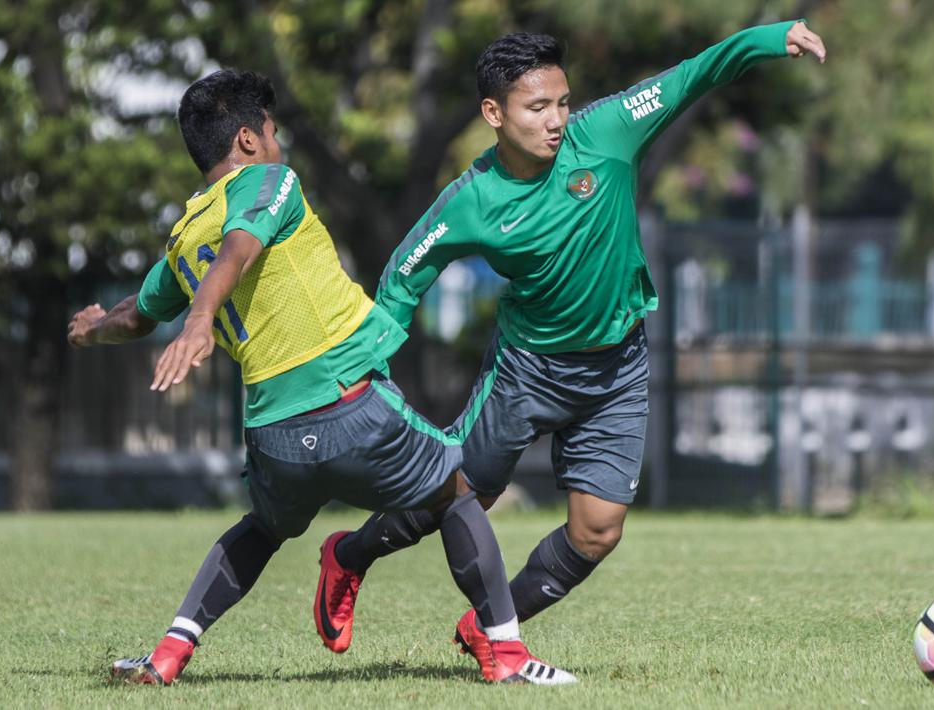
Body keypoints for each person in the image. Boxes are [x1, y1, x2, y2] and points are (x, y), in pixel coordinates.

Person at [321, 20, 827, 660]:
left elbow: (694, 73)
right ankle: (349, 554)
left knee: (598, 532)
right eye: (537, 108)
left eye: (561, 102)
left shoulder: (609, 130)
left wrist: (771, 37)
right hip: (525, 372)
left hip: (618, 369)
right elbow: (403, 277)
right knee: (459, 495)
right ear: (494, 114)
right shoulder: (471, 200)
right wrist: (364, 365)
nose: (557, 120)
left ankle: (491, 626)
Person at [67, 68, 575, 686]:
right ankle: (509, 657)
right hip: (348, 405)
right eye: (273, 132)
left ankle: (168, 656)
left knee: (262, 529)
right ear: (249, 141)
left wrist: (92, 328)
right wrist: (200, 320)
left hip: (273, 440)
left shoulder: (181, 241)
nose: (277, 146)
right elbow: (240, 246)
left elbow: (134, 315)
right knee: (457, 492)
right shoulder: (268, 181)